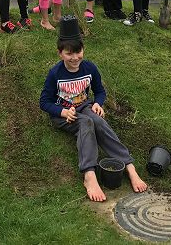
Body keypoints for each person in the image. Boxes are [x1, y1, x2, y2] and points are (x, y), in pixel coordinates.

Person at [39, 20, 148, 202]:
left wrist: (98, 103)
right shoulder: (55, 73)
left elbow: (100, 91)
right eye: (69, 53)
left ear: (83, 49)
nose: (75, 57)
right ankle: (89, 174)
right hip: (64, 115)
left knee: (97, 120)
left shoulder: (90, 68)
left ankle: (129, 166)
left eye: (78, 52)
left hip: (84, 106)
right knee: (86, 122)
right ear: (60, 53)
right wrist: (63, 112)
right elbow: (44, 102)